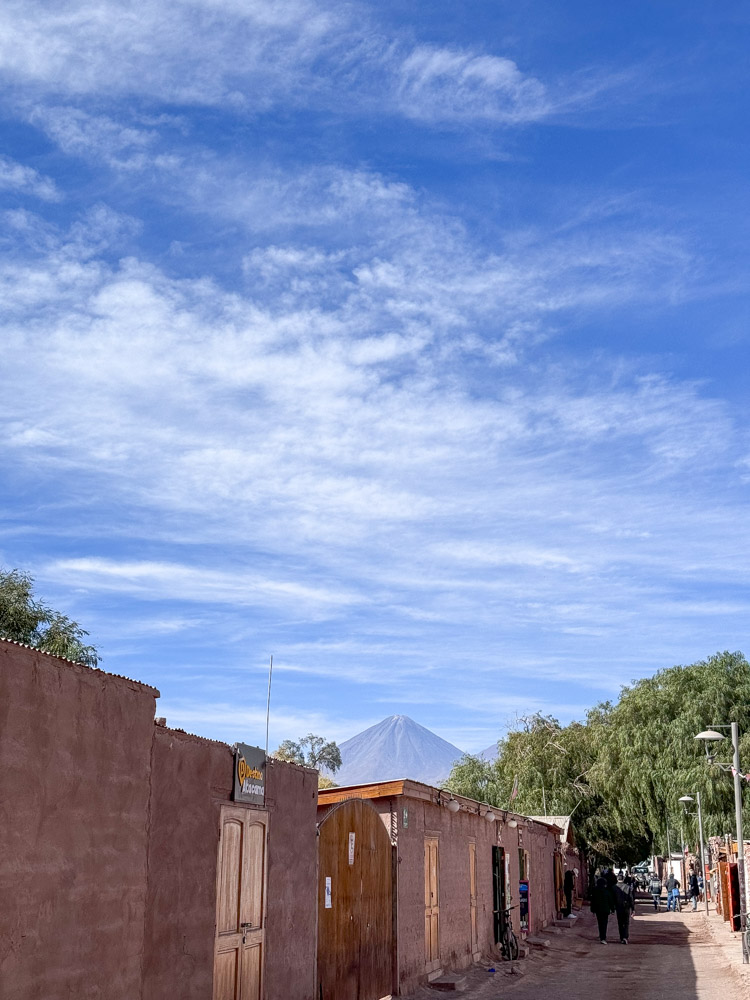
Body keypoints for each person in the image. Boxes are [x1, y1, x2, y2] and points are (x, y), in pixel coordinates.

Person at [590, 875, 615, 944]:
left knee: (600, 923)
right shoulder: (607, 891)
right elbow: (610, 901)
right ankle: (603, 937)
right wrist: (613, 909)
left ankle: (601, 935)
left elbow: (593, 901)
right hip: (605, 910)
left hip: (598, 910)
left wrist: (592, 910)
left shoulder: (595, 891)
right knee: (604, 924)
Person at [614, 874, 635, 944]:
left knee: (620, 923)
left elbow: (612, 898)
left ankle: (621, 937)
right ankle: (625, 937)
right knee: (626, 923)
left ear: (617, 879)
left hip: (618, 907)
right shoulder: (627, 887)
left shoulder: (614, 887)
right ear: (623, 879)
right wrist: (633, 909)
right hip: (626, 907)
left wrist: (612, 908)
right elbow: (631, 898)